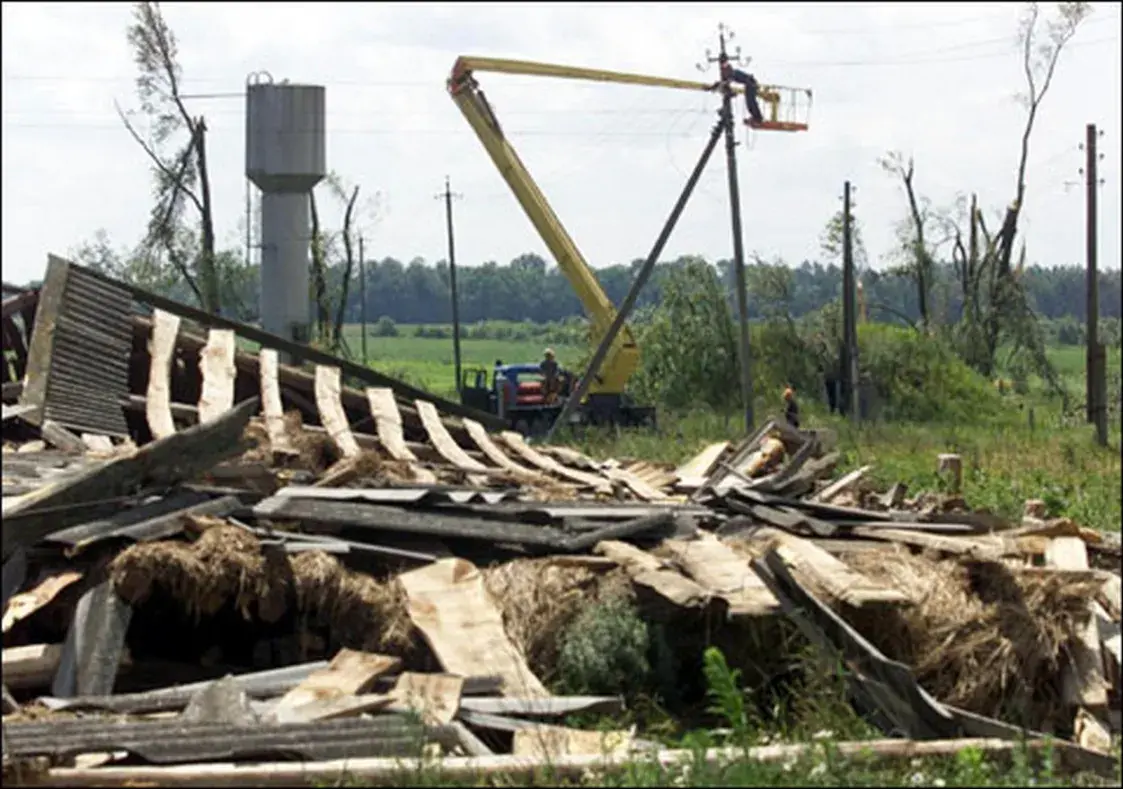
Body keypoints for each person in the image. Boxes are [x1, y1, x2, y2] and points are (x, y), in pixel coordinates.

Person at [707, 61, 765, 127]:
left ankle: (757, 118)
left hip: (751, 83)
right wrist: (714, 86)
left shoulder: (732, 73)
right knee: (750, 102)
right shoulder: (730, 74)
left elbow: (725, 82)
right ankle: (756, 117)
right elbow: (724, 82)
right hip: (749, 84)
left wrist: (714, 87)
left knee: (751, 102)